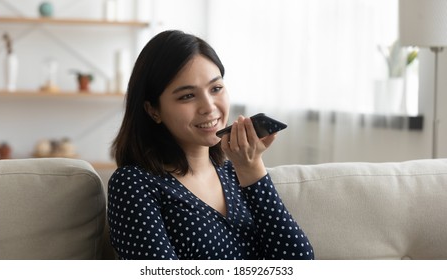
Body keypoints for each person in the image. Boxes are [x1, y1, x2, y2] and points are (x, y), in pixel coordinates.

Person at [108, 30, 314, 260]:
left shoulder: (237, 173)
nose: (209, 107)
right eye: (187, 96)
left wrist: (251, 169)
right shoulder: (133, 184)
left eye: (216, 89)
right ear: (153, 110)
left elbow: (299, 262)